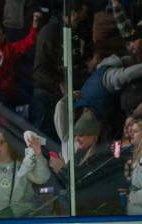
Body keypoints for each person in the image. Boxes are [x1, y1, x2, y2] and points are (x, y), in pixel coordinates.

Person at [49, 111, 128, 215]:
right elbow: (70, 185)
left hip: (104, 217)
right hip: (86, 214)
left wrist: (63, 169)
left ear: (92, 135)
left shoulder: (103, 155)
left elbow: (87, 182)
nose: (77, 139)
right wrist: (61, 170)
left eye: (81, 135)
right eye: (76, 135)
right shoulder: (78, 155)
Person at [32, 0, 89, 139]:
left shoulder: (75, 34)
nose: (85, 17)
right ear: (73, 13)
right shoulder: (49, 33)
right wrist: (60, 84)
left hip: (65, 94)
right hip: (47, 92)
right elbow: (40, 70)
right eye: (83, 13)